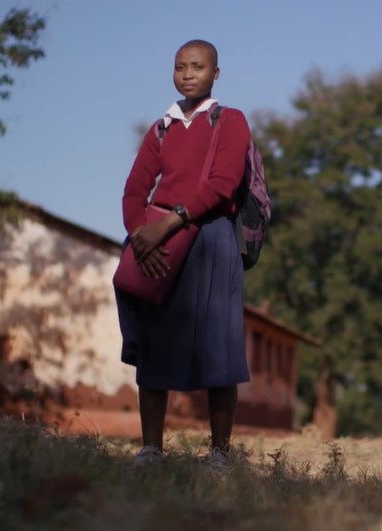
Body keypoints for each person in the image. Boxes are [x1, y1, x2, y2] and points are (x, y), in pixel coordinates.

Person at [115, 39, 251, 466]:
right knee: (153, 346)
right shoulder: (162, 128)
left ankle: (219, 453)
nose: (188, 73)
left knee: (219, 347)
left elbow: (223, 183)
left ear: (216, 73)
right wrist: (142, 237)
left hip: (211, 240)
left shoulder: (230, 121)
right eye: (180, 66)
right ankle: (151, 449)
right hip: (159, 246)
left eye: (198, 66)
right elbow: (135, 191)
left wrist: (168, 224)